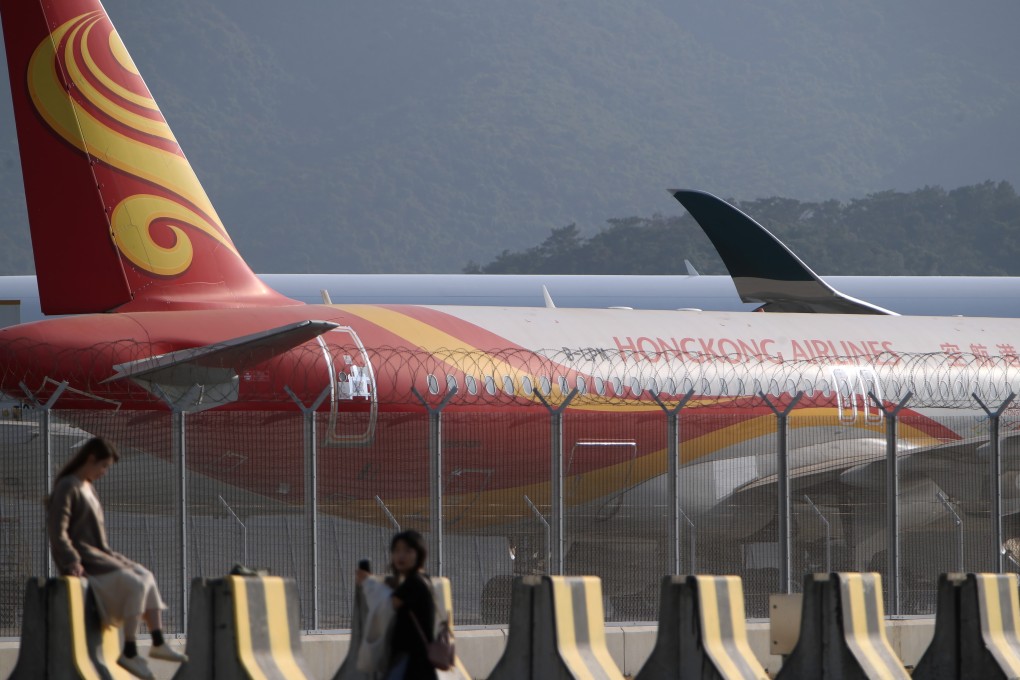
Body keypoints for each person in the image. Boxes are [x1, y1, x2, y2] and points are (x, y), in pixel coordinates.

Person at [47, 437, 187, 680]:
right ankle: (130, 650)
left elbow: (100, 542)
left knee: (146, 575)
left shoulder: (88, 487)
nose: (104, 472)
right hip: (85, 562)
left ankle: (157, 641)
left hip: (100, 557)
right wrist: (71, 561)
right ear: (91, 459)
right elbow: (57, 531)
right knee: (136, 583)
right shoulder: (68, 486)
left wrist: (123, 561)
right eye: (104, 466)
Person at [356, 530, 437, 680]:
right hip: (416, 661)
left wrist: (368, 583)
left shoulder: (414, 583)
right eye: (397, 550)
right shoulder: (422, 580)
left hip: (411, 662)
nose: (401, 556)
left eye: (408, 550)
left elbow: (386, 605)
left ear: (419, 553)